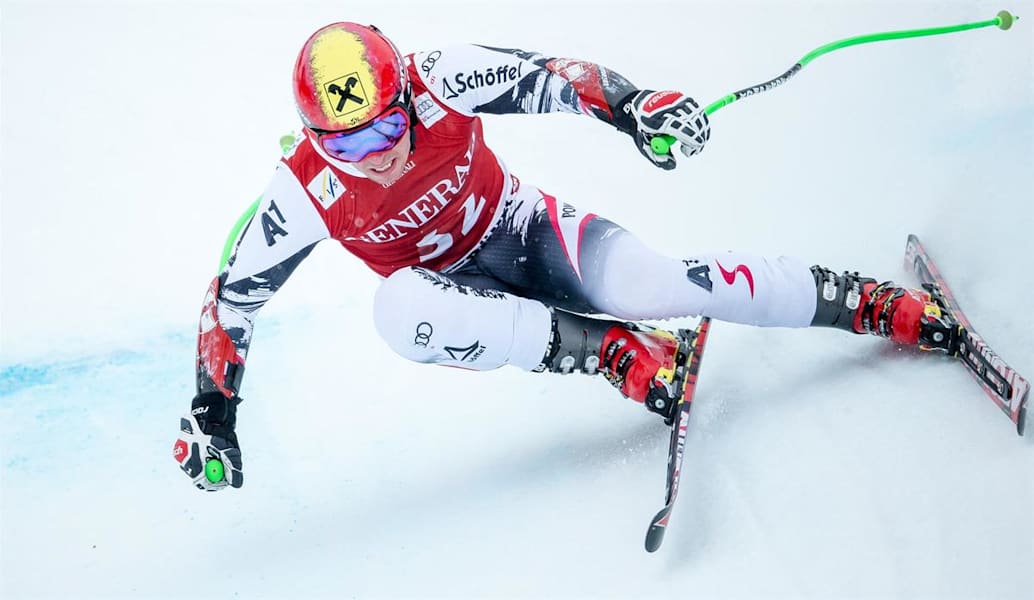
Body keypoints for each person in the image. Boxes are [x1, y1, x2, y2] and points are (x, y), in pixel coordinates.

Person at [173, 22, 958, 491]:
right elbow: (230, 301)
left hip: (523, 229)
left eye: (385, 129)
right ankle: (617, 353)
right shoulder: (302, 192)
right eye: (346, 143)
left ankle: (863, 301)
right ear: (314, 140)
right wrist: (216, 414)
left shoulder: (438, 78)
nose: (374, 156)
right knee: (396, 312)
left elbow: (552, 77)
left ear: (406, 97)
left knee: (657, 283)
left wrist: (635, 108)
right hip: (451, 297)